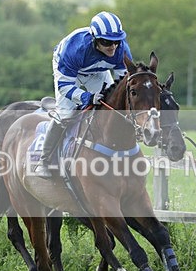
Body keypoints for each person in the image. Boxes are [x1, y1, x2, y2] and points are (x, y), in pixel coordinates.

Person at [35, 11, 133, 177]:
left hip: (97, 71)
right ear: (95, 39)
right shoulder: (75, 49)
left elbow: (124, 83)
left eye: (116, 41)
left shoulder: (121, 49)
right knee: (65, 114)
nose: (113, 47)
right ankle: (44, 161)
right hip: (69, 71)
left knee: (110, 107)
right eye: (106, 42)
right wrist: (87, 98)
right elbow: (65, 86)